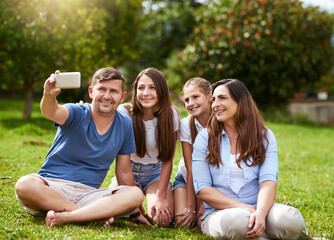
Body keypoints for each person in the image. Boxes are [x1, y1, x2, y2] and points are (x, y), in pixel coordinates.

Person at [15, 67, 144, 227]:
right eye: (101, 89)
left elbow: (124, 171)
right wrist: (49, 95)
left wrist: (135, 211)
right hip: (53, 188)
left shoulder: (124, 124)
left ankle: (69, 216)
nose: (107, 96)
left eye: (113, 91)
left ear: (122, 96)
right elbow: (51, 111)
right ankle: (87, 215)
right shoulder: (76, 112)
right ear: (91, 92)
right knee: (25, 184)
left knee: (135, 194)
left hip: (89, 195)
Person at [192, 79, 307, 239]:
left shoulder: (264, 135)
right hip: (220, 214)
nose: (215, 104)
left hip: (259, 208)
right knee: (240, 222)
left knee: (289, 218)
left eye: (222, 98)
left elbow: (268, 182)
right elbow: (203, 190)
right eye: (214, 99)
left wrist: (260, 212)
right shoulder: (205, 138)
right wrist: (243, 207)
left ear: (241, 101)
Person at [110, 67, 179, 227]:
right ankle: (135, 203)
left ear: (161, 90)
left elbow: (168, 158)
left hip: (155, 173)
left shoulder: (171, 114)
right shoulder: (125, 113)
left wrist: (161, 196)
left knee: (162, 220)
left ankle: (159, 196)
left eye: (152, 87)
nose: (145, 93)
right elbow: (121, 162)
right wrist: (136, 208)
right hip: (129, 170)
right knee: (115, 211)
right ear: (135, 90)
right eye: (141, 88)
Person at [172, 77, 211, 228]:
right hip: (187, 178)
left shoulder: (221, 121)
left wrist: (202, 204)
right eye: (187, 100)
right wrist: (190, 207)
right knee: (183, 221)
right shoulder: (186, 124)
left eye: (195, 97)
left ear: (209, 96)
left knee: (203, 221)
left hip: (211, 182)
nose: (191, 103)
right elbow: (190, 169)